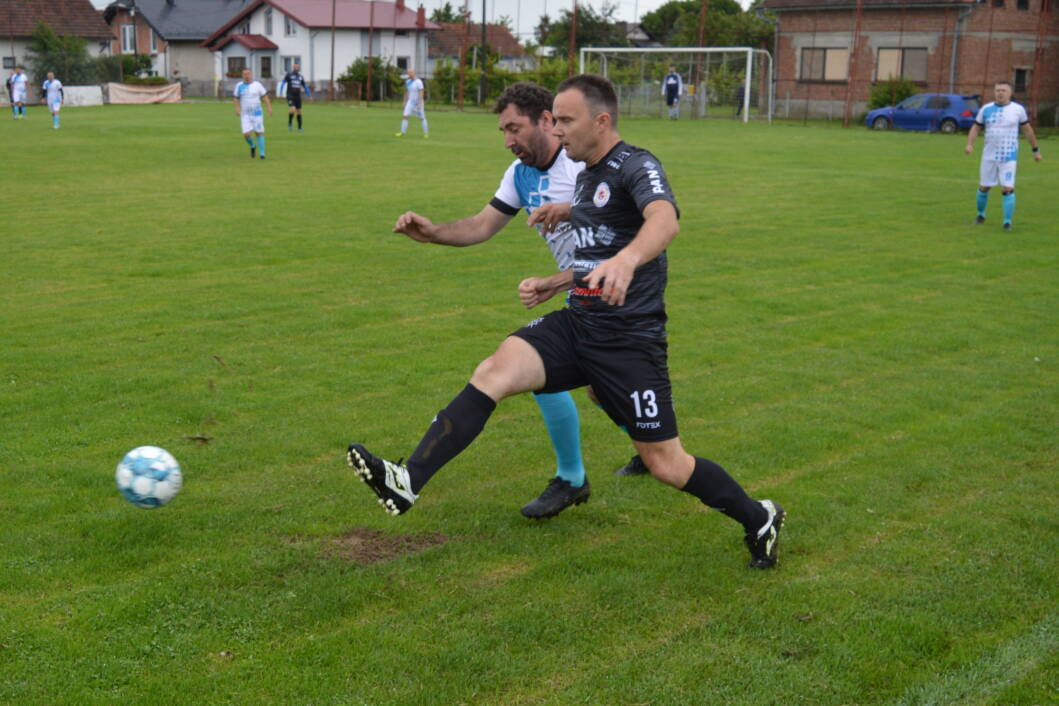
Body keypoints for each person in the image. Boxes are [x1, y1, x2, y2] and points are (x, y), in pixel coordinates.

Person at [348, 74, 786, 569]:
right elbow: (595, 239)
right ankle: (407, 480)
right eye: (554, 120)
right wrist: (558, 274)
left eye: (566, 121)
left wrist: (627, 260)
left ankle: (759, 516)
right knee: (495, 370)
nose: (558, 131)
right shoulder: (585, 176)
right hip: (579, 323)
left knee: (666, 463)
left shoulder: (636, 165)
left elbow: (664, 220)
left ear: (601, 121)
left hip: (629, 341)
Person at [391, 82, 642, 519]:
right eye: (503, 131)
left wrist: (555, 281)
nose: (508, 141)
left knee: (592, 387)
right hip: (582, 292)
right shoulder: (520, 174)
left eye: (515, 128)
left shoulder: (583, 166)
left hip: (619, 293)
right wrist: (431, 234)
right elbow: (480, 225)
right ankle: (594, 469)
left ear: (546, 120)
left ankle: (615, 462)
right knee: (570, 381)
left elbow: (621, 244)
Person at [965, 81, 1042, 231]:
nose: (1000, 93)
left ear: (1010, 93)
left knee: (1007, 188)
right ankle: (980, 215)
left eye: (1004, 91)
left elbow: (1027, 130)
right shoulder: (986, 109)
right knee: (984, 187)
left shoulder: (1018, 110)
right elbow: (976, 127)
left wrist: (1035, 150)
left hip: (1008, 156)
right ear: (994, 92)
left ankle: (1007, 222)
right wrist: (969, 144)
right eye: (998, 90)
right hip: (989, 156)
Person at [233, 68, 272, 160]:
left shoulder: (257, 85)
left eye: (248, 74)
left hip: (257, 113)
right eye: (245, 74)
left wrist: (269, 107)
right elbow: (236, 98)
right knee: (246, 134)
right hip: (245, 114)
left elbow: (264, 96)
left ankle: (262, 154)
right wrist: (237, 108)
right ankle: (252, 145)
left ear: (251, 75)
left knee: (259, 133)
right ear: (242, 75)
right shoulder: (239, 85)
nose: (247, 76)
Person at [278, 63, 312, 132]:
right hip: (290, 95)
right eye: (296, 67)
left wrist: (309, 95)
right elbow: (283, 83)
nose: (297, 68)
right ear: (293, 67)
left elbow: (305, 86)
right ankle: (290, 124)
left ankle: (300, 128)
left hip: (298, 96)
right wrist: (281, 93)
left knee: (299, 112)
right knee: (293, 109)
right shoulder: (289, 75)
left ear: (299, 68)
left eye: (298, 67)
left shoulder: (300, 77)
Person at [395, 68, 428, 138]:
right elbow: (406, 92)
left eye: (411, 72)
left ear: (414, 73)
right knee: (405, 116)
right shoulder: (408, 82)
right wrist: (404, 101)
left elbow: (421, 92)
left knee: (422, 118)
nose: (409, 74)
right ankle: (402, 132)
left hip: (418, 103)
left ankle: (426, 133)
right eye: (408, 73)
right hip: (410, 102)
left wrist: (420, 103)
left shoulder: (418, 82)